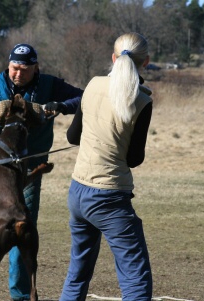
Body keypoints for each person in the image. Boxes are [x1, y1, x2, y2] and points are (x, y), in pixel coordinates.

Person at [0, 43, 83, 301]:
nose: (18, 74)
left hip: (29, 170)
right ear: (8, 65)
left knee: (22, 232)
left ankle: (21, 296)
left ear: (36, 67)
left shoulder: (48, 84)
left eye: (24, 69)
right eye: (14, 68)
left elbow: (84, 97)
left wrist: (61, 105)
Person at [59, 32, 154, 301]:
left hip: (78, 192)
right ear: (145, 62)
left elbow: (72, 137)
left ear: (113, 58)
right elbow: (134, 158)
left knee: (77, 273)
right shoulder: (143, 100)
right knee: (135, 276)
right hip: (110, 196)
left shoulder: (92, 85)